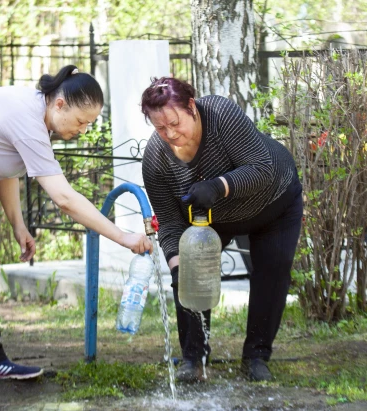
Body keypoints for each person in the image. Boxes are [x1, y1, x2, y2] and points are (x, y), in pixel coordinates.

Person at [0, 65, 152, 385]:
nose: (83, 130)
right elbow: (64, 198)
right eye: (81, 122)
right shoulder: (25, 116)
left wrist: (18, 225)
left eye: (89, 124)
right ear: (59, 104)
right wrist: (122, 236)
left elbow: (5, 168)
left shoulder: (38, 116)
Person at [140, 77, 303, 382]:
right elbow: (171, 222)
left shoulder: (220, 113)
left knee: (273, 271)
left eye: (175, 123)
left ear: (191, 107)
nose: (171, 134)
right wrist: (177, 265)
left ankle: (256, 357)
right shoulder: (155, 159)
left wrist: (219, 186)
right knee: (189, 274)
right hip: (212, 220)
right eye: (160, 128)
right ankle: (194, 360)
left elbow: (261, 169)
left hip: (274, 200)